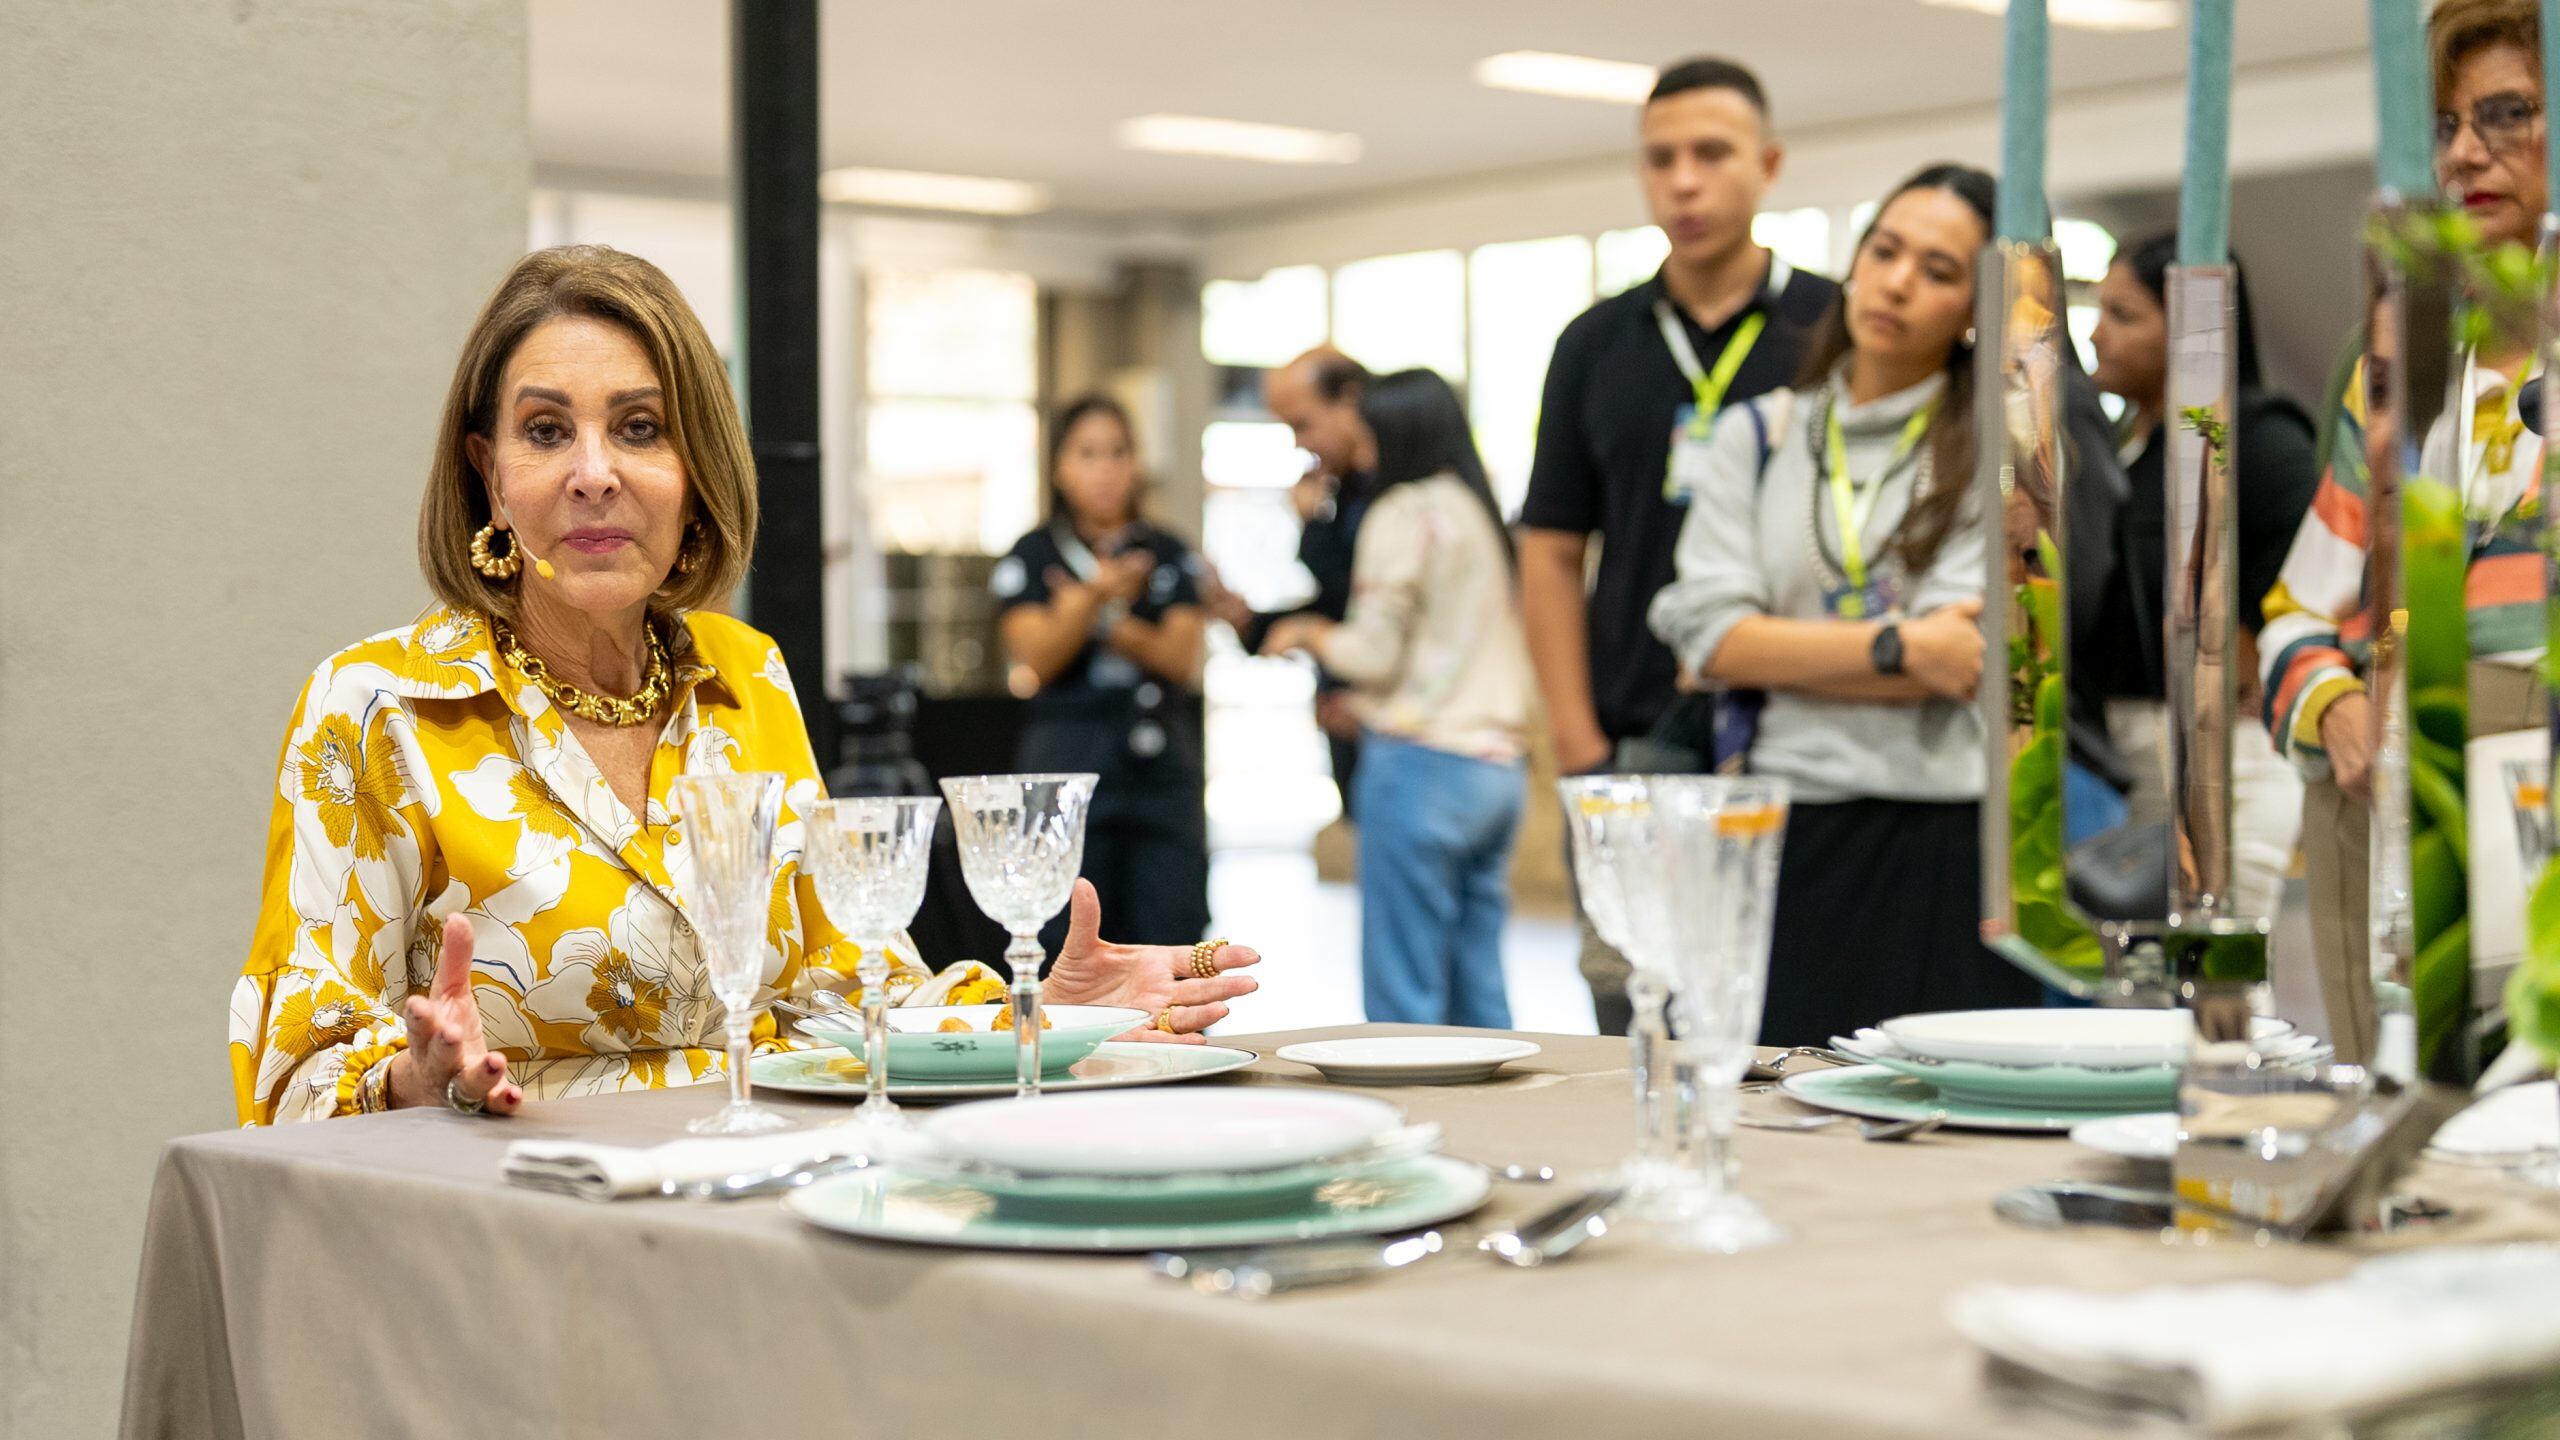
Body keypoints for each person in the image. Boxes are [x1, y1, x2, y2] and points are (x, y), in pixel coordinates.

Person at [231, 246, 1261, 1124]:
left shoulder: (745, 679)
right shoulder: (377, 706)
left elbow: (843, 995)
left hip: (751, 1215)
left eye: (639, 428)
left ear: (695, 472)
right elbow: (291, 1076)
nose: (596, 471)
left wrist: (1043, 1010)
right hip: (503, 1236)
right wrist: (416, 1079)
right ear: (488, 473)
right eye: (547, 432)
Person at [1649, 163, 2035, 1045]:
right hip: (1783, 824)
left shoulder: (2002, 453)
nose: (1897, 281)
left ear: (1978, 305)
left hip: (1947, 834)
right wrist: (1901, 649)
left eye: (1938, 271)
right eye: (1885, 250)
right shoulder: (1756, 434)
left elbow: (1964, 656)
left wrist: (1769, 646)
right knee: (1779, 1112)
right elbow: (1708, 638)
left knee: (1935, 1119)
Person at [1517, 56, 1839, 1034]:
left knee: (1783, 1006)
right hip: (1635, 734)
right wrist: (1576, 741)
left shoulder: (1829, 327)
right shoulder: (1595, 343)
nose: (1684, 181)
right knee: (1634, 1006)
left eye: (1711, 154)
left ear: (1768, 164)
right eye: (1661, 160)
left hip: (1796, 721)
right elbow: (1547, 548)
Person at [2259, 0, 2547, 1056]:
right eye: (2445, 125)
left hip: (2534, 817)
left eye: (2507, 115)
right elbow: (2295, 616)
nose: (2465, 151)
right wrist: (2331, 705)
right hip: (2383, 832)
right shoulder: (2399, 367)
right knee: (2405, 1171)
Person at [1262, 370, 1533, 1027]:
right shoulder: (1475, 510)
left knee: (1404, 998)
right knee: (1480, 992)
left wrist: (1308, 631)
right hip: (1498, 770)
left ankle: (1416, 1128)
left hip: (1423, 770)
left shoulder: (1400, 512)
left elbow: (1375, 654)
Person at [2087, 231, 2319, 919]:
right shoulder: (2128, 442)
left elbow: (2311, 568)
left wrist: (2254, 635)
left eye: (2123, 316)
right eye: (2100, 311)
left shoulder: (2257, 433)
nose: (2097, 334)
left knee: (2224, 969)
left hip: (2230, 746)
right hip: (2138, 743)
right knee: (2148, 978)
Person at [992, 395, 1212, 949]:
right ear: (1059, 468)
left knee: (1171, 936)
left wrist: (1090, 616)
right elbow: (1035, 659)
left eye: (1118, 452)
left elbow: (1180, 658)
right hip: (1065, 767)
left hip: (1161, 769)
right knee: (1063, 940)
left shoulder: (1168, 551)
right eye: (1087, 454)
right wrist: (1099, 593)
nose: (1106, 470)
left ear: (1136, 463)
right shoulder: (1033, 554)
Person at [1248, 347, 1379, 813]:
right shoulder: (1344, 490)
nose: (1299, 444)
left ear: (1349, 401)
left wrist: (1314, 522)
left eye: (1302, 425)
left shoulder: (1392, 496)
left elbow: (1364, 604)